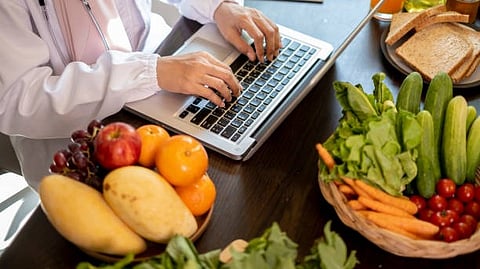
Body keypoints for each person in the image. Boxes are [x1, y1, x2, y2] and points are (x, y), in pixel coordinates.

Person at [0, 0, 281, 190]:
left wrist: (218, 6)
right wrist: (150, 73)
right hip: (75, 141)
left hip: (164, 69)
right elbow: (16, 99)